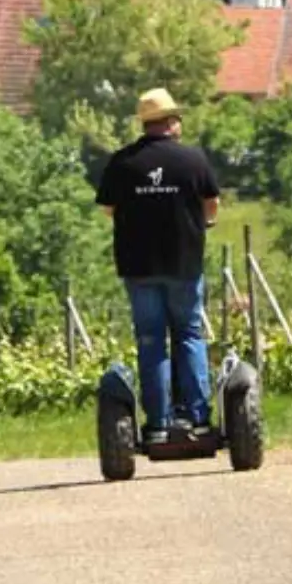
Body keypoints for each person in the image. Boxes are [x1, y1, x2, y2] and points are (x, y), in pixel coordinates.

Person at [94, 87, 221, 444]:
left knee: (151, 340)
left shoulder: (122, 162)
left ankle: (159, 424)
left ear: (145, 123)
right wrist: (204, 224)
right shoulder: (193, 160)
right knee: (189, 335)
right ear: (170, 123)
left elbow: (108, 210)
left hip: (139, 266)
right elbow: (211, 203)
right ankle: (197, 418)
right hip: (183, 264)